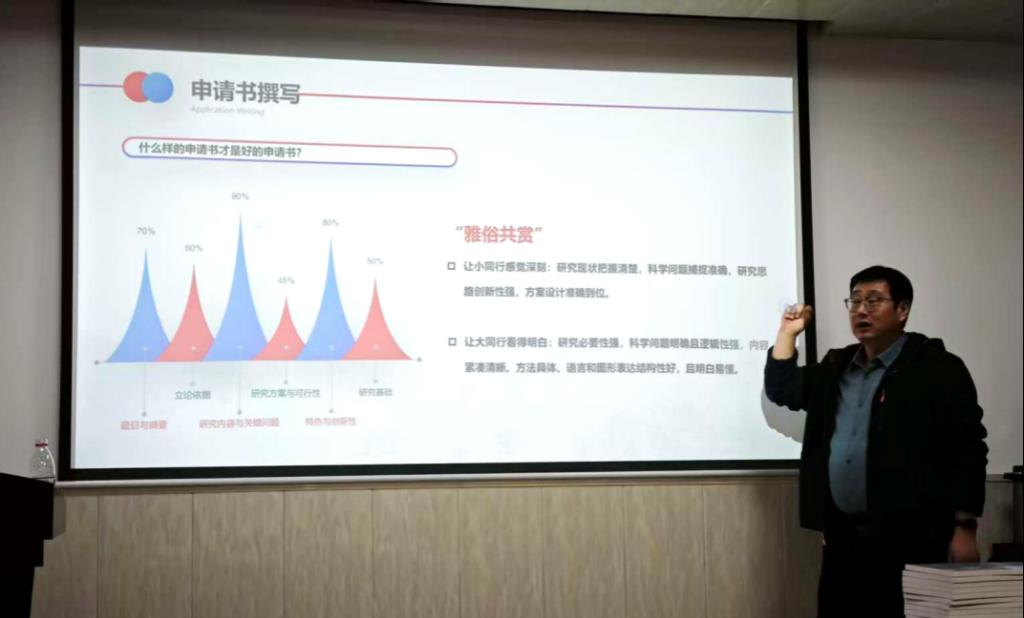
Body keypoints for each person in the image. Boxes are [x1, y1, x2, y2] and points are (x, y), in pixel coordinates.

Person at [764, 265, 988, 617]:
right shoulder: (836, 367)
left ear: (903, 310)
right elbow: (782, 388)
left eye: (873, 301)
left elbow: (967, 449)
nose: (861, 310)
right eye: (854, 301)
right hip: (843, 538)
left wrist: (965, 529)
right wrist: (787, 332)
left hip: (913, 537)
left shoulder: (937, 368)